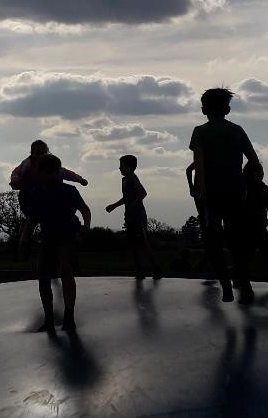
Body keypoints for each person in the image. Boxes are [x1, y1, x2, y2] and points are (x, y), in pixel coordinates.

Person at [189, 88, 259, 304]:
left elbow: (199, 164)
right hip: (236, 191)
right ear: (227, 109)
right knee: (237, 239)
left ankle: (225, 284)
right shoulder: (237, 130)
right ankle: (244, 282)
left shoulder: (200, 131)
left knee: (213, 240)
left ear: (204, 110)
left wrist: (201, 189)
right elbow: (254, 161)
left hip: (211, 194)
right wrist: (245, 181)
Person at [28, 154, 91, 332]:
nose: (51, 176)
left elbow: (84, 209)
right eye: (47, 172)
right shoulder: (37, 193)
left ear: (59, 172)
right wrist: (24, 238)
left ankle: (69, 316)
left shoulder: (69, 191)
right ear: (40, 173)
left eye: (54, 172)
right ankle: (49, 319)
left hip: (67, 236)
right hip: (48, 238)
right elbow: (32, 219)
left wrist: (86, 225)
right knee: (43, 277)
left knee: (66, 270)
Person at [11, 140, 88, 257]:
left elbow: (67, 173)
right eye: (36, 152)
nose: (39, 155)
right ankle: (26, 241)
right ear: (31, 153)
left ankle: (27, 240)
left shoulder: (54, 167)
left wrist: (80, 179)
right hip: (30, 193)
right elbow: (16, 172)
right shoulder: (27, 163)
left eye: (42, 152)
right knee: (31, 217)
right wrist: (15, 181)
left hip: (52, 209)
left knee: (34, 218)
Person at [106, 155, 163, 280]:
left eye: (122, 165)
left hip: (138, 217)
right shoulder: (124, 180)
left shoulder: (132, 178)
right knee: (133, 245)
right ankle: (140, 271)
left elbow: (143, 193)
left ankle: (156, 269)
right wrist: (114, 205)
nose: (120, 168)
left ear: (131, 167)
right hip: (131, 217)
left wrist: (132, 205)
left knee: (143, 243)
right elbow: (127, 198)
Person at [242, 160, 268, 290]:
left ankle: (239, 280)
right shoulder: (262, 188)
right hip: (258, 227)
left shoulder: (240, 186)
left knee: (246, 257)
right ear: (257, 173)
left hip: (242, 228)